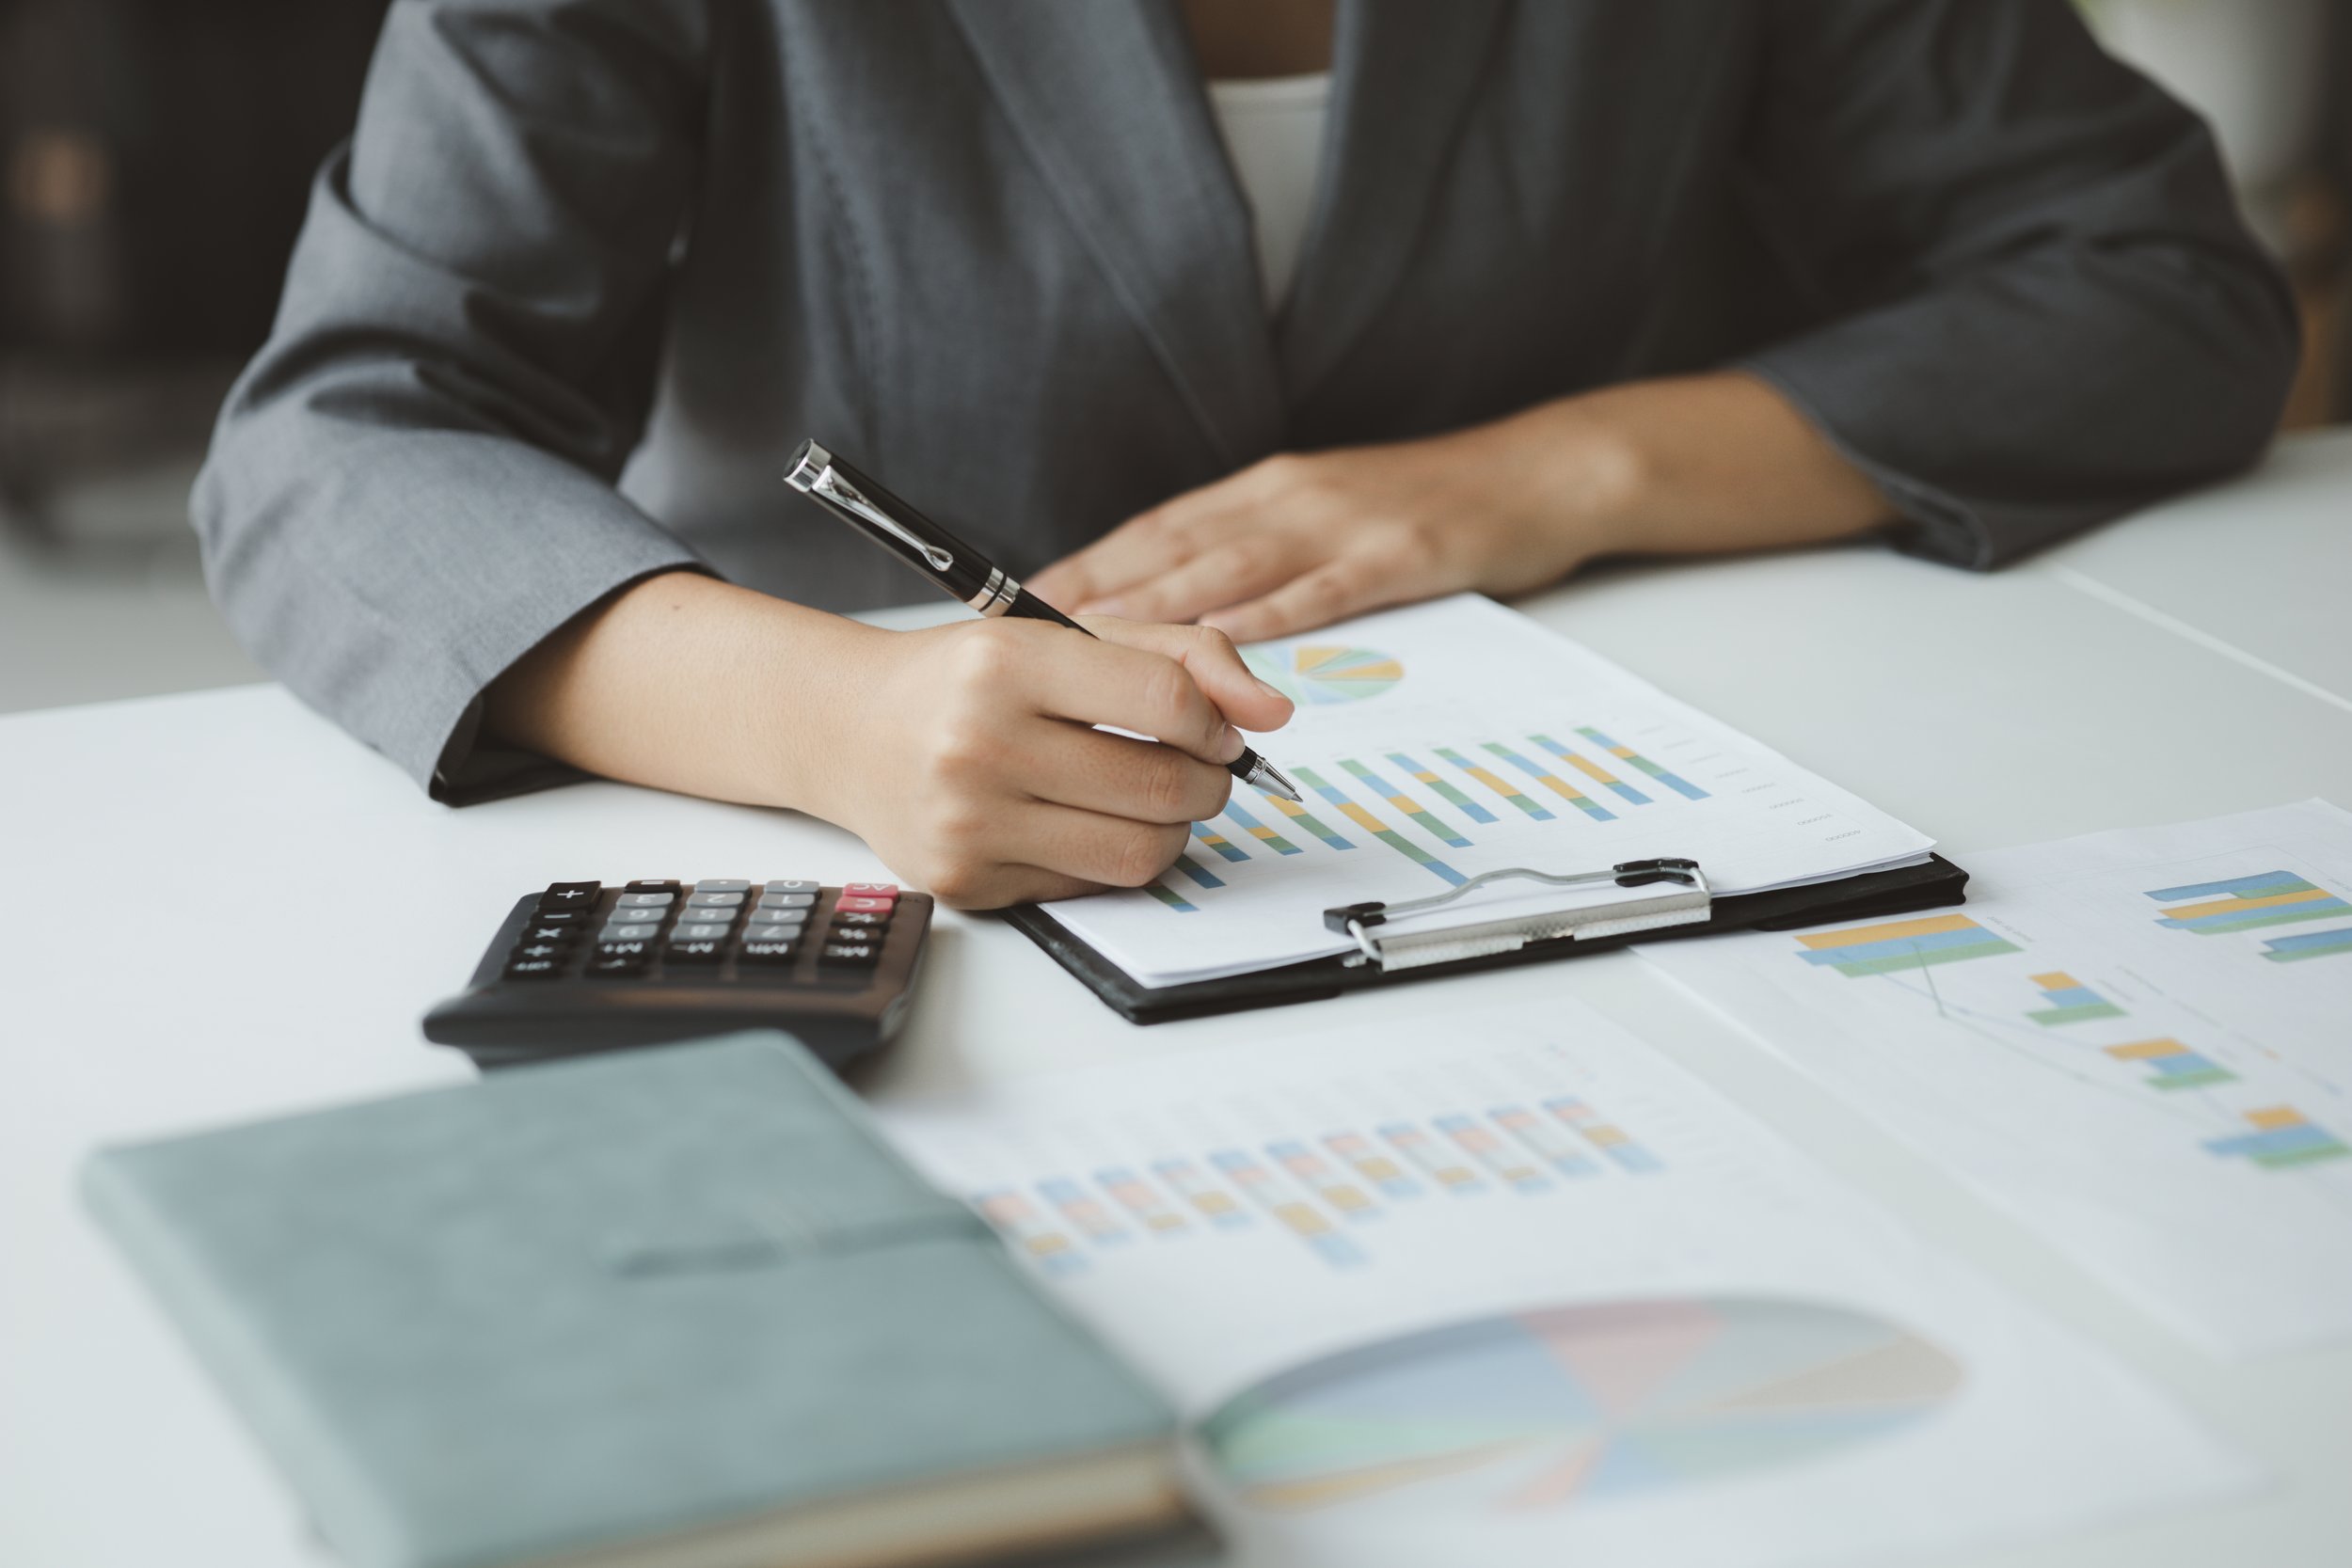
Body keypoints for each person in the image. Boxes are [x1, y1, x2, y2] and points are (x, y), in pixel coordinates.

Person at [194, 0, 2296, 908]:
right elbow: (347, 429)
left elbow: (2156, 287)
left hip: (1618, 831)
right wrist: (829, 714)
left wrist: (1562, 471)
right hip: (848, 857)